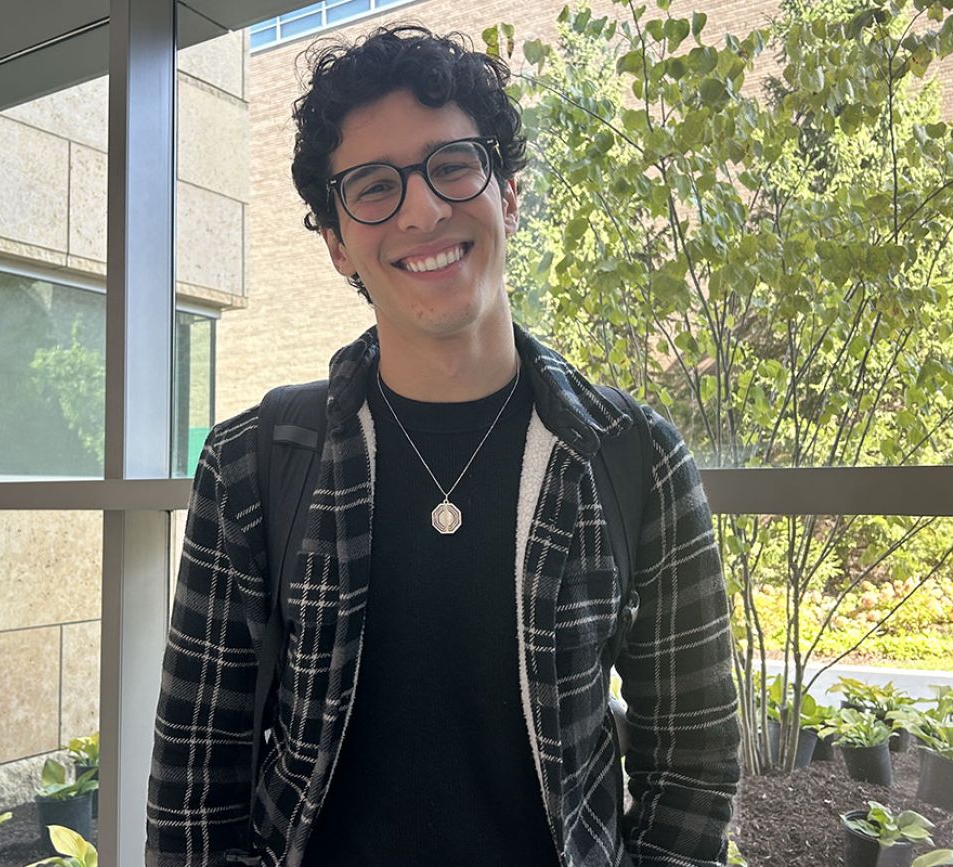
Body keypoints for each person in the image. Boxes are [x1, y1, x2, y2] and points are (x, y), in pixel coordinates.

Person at [147, 25, 740, 867]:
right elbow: (192, 787)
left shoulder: (635, 456)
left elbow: (694, 766)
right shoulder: (251, 465)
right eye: (374, 186)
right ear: (335, 241)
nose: (422, 209)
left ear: (509, 193)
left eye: (452, 165)